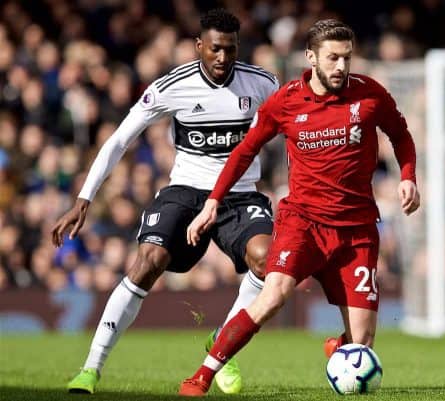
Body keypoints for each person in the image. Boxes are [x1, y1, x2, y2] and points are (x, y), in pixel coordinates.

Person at [178, 19, 420, 396]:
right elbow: (245, 150)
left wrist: (408, 176)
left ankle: (341, 347)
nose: (341, 67)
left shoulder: (369, 94)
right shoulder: (287, 101)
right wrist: (213, 201)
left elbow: (401, 135)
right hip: (303, 222)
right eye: (333, 58)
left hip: (356, 229)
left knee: (363, 344)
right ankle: (204, 374)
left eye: (347, 58)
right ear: (311, 57)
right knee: (273, 295)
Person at [51, 9, 279, 395]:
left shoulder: (263, 84)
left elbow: (299, 123)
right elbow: (119, 139)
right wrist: (84, 198)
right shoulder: (173, 86)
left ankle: (223, 339)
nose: (223, 58)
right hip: (186, 191)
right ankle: (91, 368)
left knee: (268, 259)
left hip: (240, 195)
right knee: (148, 262)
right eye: (215, 50)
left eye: (230, 50)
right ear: (199, 47)